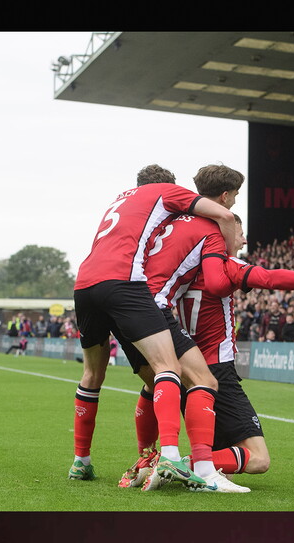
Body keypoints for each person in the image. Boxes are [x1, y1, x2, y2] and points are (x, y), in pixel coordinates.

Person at [119, 212, 294, 486]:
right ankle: (181, 465)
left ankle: (150, 456)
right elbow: (269, 278)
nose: (244, 240)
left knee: (157, 387)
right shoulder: (225, 266)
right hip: (217, 371)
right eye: (240, 233)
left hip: (186, 367)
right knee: (258, 459)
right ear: (222, 234)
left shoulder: (179, 271)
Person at [68, 163, 238, 490]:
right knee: (168, 367)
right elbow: (225, 216)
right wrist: (228, 253)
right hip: (123, 282)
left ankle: (81, 461)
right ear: (169, 184)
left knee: (93, 375)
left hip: (85, 284)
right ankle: (171, 455)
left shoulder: (121, 198)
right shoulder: (166, 191)